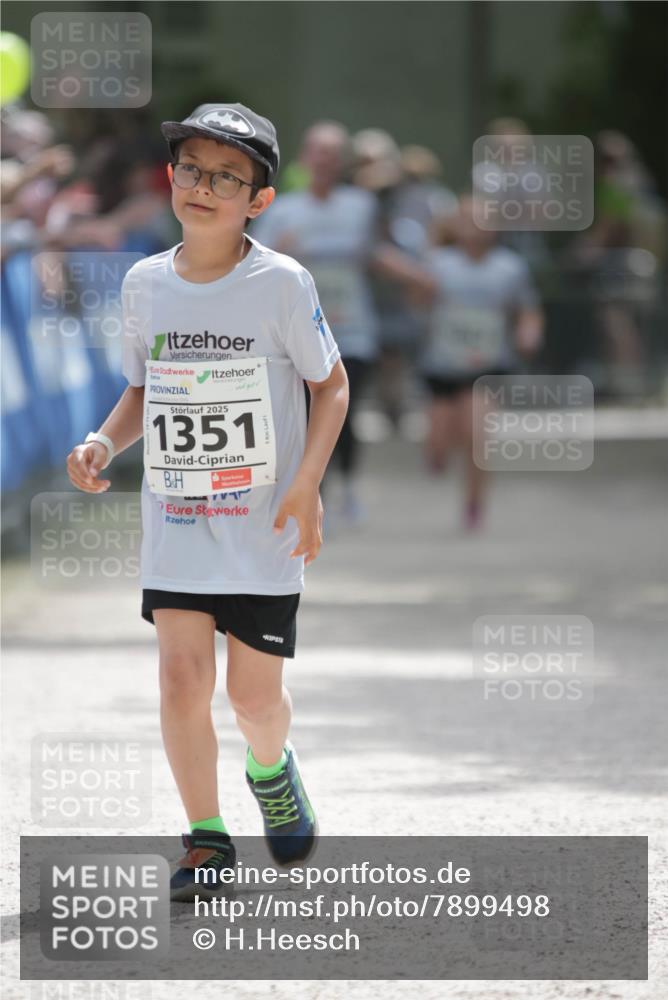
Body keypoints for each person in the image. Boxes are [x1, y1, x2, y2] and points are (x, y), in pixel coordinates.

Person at [66, 102, 349, 901]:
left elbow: (331, 387)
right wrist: (101, 442)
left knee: (253, 700)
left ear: (258, 200)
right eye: (192, 168)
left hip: (263, 528)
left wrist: (306, 484)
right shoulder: (146, 282)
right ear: (170, 178)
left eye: (227, 177)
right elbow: (140, 389)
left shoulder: (283, 284)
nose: (203, 186)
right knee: (182, 680)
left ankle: (272, 768)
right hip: (181, 521)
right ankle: (206, 841)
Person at [252, 121, 379, 525]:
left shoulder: (362, 206)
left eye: (332, 152)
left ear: (342, 161)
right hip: (297, 332)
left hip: (352, 327)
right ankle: (312, 492)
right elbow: (255, 259)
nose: (323, 160)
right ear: (305, 158)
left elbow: (376, 255)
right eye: (316, 151)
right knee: (303, 412)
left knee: (347, 407)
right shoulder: (283, 209)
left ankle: (347, 488)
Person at [417, 195, 543, 530]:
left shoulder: (511, 267)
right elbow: (416, 303)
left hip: (488, 365)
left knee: (478, 434)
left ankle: (474, 503)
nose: (477, 227)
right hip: (442, 365)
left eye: (485, 220)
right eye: (469, 220)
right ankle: (437, 452)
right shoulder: (438, 263)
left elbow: (527, 309)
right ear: (456, 225)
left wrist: (529, 333)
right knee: (441, 438)